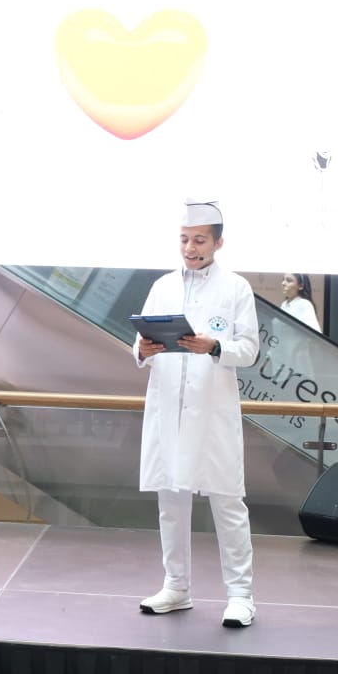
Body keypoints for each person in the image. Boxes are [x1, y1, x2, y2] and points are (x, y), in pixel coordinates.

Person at [134, 200, 261, 629]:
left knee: (227, 501)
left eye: (199, 240)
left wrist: (215, 347)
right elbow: (140, 342)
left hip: (212, 411)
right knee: (171, 499)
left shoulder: (236, 289)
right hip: (168, 408)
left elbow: (248, 349)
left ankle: (241, 595)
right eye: (185, 239)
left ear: (218, 242)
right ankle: (177, 586)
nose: (190, 247)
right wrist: (143, 349)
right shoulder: (163, 286)